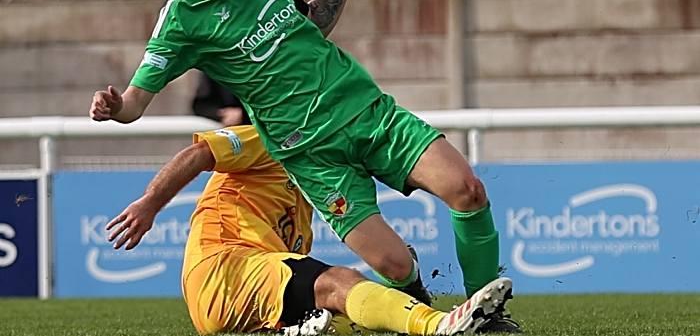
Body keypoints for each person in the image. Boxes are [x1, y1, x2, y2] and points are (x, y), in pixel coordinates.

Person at [89, 0, 519, 329]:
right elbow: (134, 103)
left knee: (467, 190)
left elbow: (311, 23)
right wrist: (114, 108)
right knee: (393, 268)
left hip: (367, 113)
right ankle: (421, 314)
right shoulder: (180, 21)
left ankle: (486, 315)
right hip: (311, 155)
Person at [106, 125, 514, 335]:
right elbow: (198, 153)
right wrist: (150, 204)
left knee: (339, 310)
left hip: (248, 281)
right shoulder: (271, 138)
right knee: (338, 282)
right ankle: (437, 325)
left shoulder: (312, 187)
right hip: (225, 267)